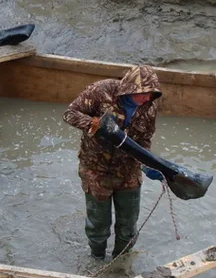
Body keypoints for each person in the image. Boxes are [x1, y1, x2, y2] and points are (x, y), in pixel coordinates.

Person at [63, 65, 163, 259]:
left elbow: (145, 139)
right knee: (98, 224)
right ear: (130, 89)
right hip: (96, 170)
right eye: (143, 94)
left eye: (151, 94)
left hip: (129, 171)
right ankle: (97, 258)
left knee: (128, 225)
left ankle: (120, 261)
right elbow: (70, 113)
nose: (147, 99)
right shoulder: (101, 91)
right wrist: (94, 124)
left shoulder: (149, 106)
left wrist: (147, 162)